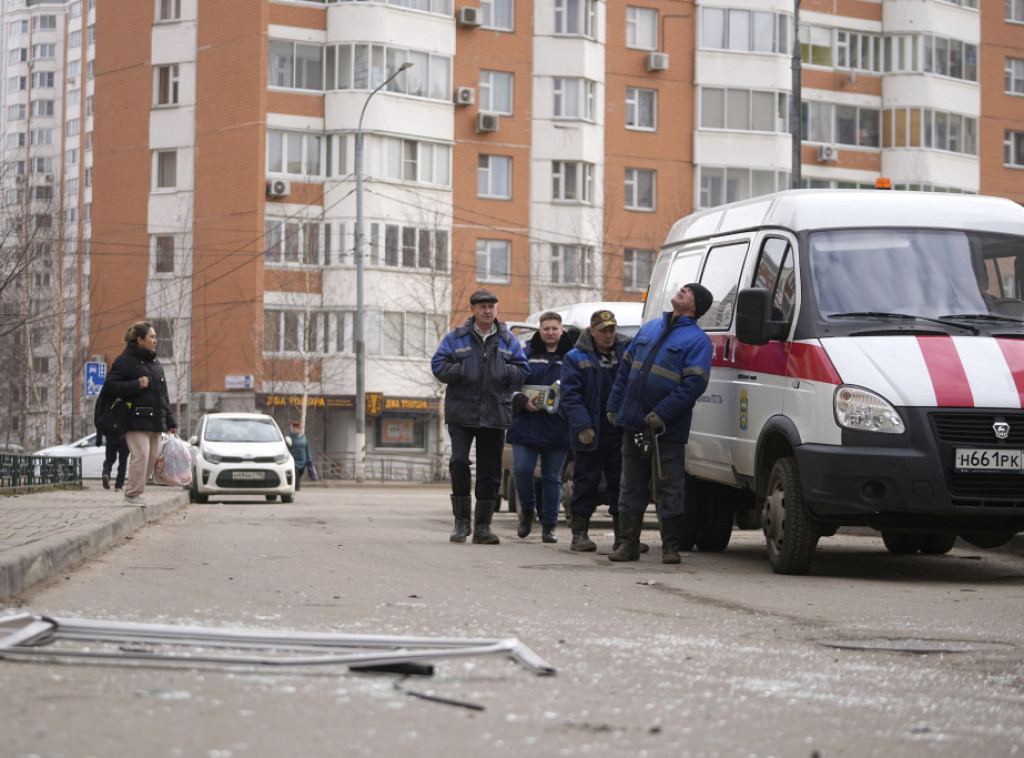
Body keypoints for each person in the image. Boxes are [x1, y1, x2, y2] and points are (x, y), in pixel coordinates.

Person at [606, 284, 714, 564]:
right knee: (631, 485)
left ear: (696, 305)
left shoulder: (698, 341)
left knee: (669, 485)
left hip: (667, 429)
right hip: (633, 423)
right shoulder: (650, 328)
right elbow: (625, 370)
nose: (681, 290)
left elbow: (694, 386)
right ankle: (628, 544)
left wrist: (661, 414)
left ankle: (670, 548)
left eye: (688, 291)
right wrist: (614, 406)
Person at [432, 289, 529, 545]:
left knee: (490, 471)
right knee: (459, 462)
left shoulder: (509, 340)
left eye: (491, 306)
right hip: (462, 412)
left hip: (496, 412)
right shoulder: (457, 337)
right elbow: (438, 365)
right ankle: (461, 523)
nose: (488, 311)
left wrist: (504, 371)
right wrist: (464, 369)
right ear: (473, 310)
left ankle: (483, 526)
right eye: (483, 306)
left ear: (496, 309)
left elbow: (523, 370)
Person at [560, 309, 634, 553]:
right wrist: (583, 426)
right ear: (592, 331)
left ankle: (622, 536)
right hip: (590, 432)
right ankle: (579, 534)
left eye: (612, 329)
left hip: (618, 430)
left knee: (620, 484)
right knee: (586, 483)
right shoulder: (575, 357)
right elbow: (570, 396)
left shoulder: (626, 353)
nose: (608, 335)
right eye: (603, 330)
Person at [507, 311, 574, 544]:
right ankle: (527, 512)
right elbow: (511, 384)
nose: (550, 332)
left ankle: (549, 525)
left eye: (554, 328)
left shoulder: (572, 356)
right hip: (526, 423)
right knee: (522, 471)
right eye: (546, 328)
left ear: (561, 329)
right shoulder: (525, 354)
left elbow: (579, 389)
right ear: (540, 330)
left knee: (552, 478)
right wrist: (521, 401)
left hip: (558, 425)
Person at [104, 322, 178, 506]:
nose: (155, 340)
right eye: (151, 337)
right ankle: (132, 494)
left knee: (152, 458)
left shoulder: (155, 363)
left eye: (155, 337)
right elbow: (110, 386)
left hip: (155, 421)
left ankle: (136, 492)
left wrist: (169, 419)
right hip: (135, 419)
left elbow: (163, 395)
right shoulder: (125, 360)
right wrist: (135, 384)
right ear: (140, 339)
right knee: (141, 455)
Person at [93, 379, 129, 491]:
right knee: (123, 461)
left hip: (111, 434)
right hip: (124, 435)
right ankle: (118, 486)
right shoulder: (129, 396)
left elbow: (100, 418)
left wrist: (99, 438)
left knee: (109, 459)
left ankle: (106, 474)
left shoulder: (108, 398)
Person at [289, 421, 310, 491]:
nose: (296, 430)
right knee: (296, 473)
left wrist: (309, 458)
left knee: (300, 473)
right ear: (293, 429)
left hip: (302, 460)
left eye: (298, 428)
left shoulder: (304, 437)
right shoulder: (290, 437)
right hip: (294, 460)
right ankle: (297, 487)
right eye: (295, 428)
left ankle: (296, 484)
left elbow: (307, 448)